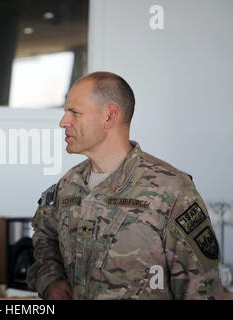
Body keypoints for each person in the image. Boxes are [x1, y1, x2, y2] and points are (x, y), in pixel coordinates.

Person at [27, 72, 224, 300]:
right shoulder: (68, 185)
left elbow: (201, 288)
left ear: (109, 116)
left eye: (74, 112)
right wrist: (52, 280)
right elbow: (45, 239)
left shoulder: (172, 190)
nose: (64, 122)